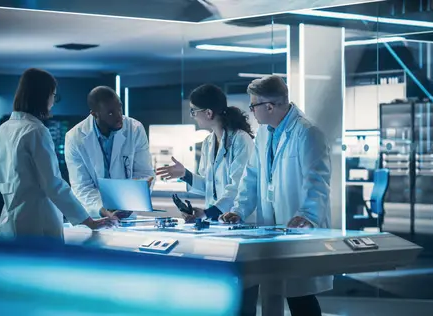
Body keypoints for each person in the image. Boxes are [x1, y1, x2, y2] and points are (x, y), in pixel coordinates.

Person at [219, 75, 332, 316]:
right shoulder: (264, 133)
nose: (251, 112)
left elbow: (318, 181)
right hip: (271, 228)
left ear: (269, 106)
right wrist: (239, 210)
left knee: (301, 298)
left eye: (253, 106)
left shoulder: (307, 132)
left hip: (296, 227)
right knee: (274, 293)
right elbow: (252, 176)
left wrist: (307, 215)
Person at [0, 68, 115, 242]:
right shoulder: (36, 130)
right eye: (53, 95)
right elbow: (54, 185)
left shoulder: (3, 129)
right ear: (43, 96)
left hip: (10, 222)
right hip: (37, 225)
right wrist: (89, 222)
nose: (53, 101)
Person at [155, 84, 254, 222]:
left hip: (238, 219)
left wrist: (207, 213)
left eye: (194, 111)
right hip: (217, 221)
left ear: (208, 113)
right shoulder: (208, 142)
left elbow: (239, 188)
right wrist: (185, 174)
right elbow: (209, 186)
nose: (193, 116)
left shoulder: (241, 139)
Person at [65, 86, 155, 219]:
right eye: (111, 113)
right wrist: (103, 210)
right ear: (95, 114)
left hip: (128, 213)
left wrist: (135, 195)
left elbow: (144, 173)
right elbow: (82, 187)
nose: (119, 116)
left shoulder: (135, 129)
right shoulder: (75, 138)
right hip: (95, 216)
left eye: (120, 108)